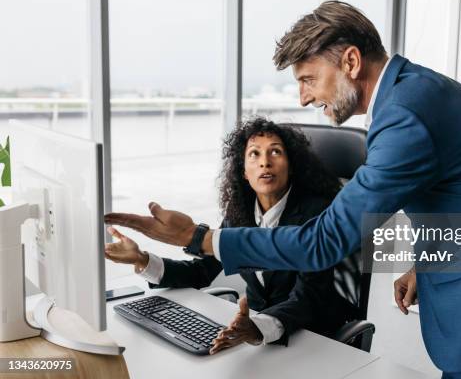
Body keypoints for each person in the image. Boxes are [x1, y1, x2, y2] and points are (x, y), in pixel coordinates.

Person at [106, 1, 461, 377]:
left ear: (350, 60)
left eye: (308, 79)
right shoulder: (411, 93)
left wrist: (198, 237)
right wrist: (424, 261)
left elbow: (324, 241)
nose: (304, 97)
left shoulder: (405, 116)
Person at [105, 117, 355, 354]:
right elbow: (202, 270)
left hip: (312, 338)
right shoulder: (239, 214)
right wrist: (143, 261)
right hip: (256, 337)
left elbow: (308, 297)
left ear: (291, 166)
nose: (265, 162)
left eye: (275, 152)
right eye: (254, 154)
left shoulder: (318, 213)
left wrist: (257, 328)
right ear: (244, 172)